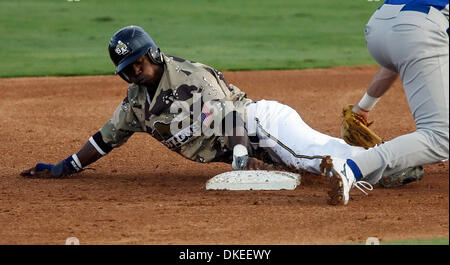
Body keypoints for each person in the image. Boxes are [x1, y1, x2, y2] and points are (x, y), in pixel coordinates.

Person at [20, 26, 415, 203]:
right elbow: (105, 138)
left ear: (152, 55)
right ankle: (394, 158)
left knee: (313, 157)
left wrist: (241, 160)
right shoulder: (135, 105)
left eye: (139, 63)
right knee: (315, 158)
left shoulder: (189, 77)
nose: (134, 71)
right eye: (127, 68)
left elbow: (231, 119)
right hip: (256, 142)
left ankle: (399, 162)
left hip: (261, 124)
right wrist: (65, 166)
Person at [327, 0, 449, 205]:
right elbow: (414, 41)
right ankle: (351, 168)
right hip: (419, 29)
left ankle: (393, 163)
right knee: (441, 136)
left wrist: (363, 106)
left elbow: (403, 55)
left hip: (380, 27)